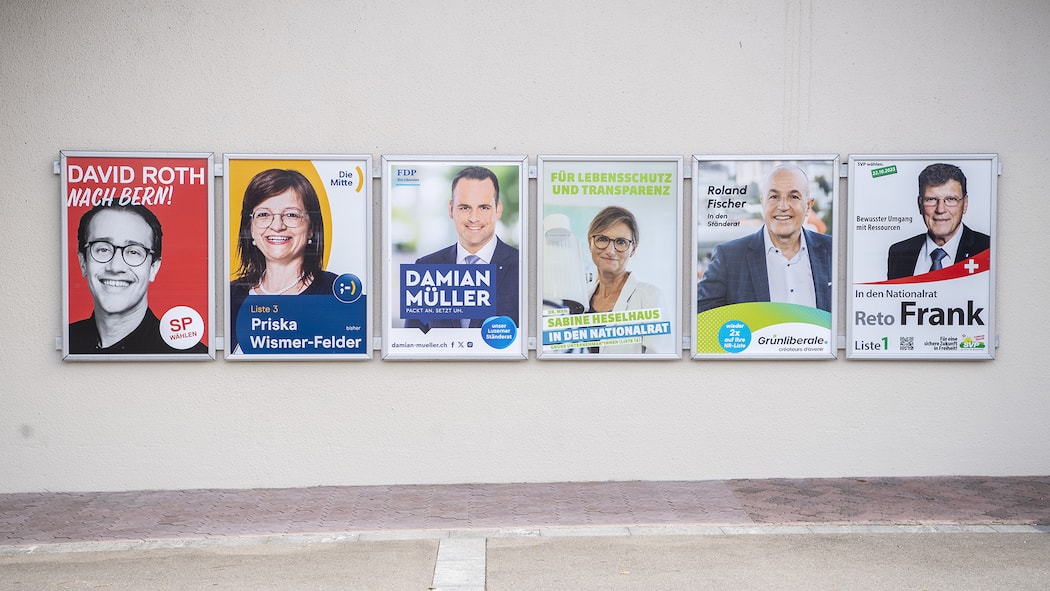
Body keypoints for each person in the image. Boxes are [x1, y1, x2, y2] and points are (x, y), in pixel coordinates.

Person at [68, 203, 207, 354]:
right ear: (83, 262)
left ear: (153, 267)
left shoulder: (186, 354)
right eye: (103, 249)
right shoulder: (67, 342)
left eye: (133, 252)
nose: (115, 267)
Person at [697, 164, 833, 313]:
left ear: (808, 205)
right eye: (774, 197)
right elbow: (701, 319)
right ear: (763, 203)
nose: (783, 206)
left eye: (793, 197)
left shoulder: (833, 252)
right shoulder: (728, 258)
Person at [229, 169, 337, 351]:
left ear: (311, 228)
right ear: (250, 229)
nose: (277, 226)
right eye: (263, 215)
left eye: (291, 215)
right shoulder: (230, 295)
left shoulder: (334, 293)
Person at [406, 166, 519, 330]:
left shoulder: (523, 269)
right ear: (451, 209)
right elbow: (411, 345)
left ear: (498, 209)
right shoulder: (425, 268)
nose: (474, 218)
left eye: (484, 208)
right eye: (465, 208)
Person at [582, 206, 669, 354]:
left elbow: (658, 365)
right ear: (590, 242)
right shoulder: (581, 298)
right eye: (602, 239)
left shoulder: (650, 297)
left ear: (633, 249)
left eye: (621, 242)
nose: (610, 250)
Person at [886, 163, 990, 280]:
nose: (940, 209)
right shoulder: (899, 253)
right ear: (920, 204)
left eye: (951, 199)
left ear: (965, 204)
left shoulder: (986, 249)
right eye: (931, 199)